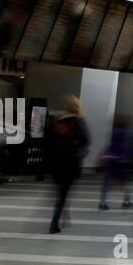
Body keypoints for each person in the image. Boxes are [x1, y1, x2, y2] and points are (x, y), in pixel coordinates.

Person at [47, 97, 89, 234]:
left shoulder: (56, 120)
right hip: (70, 162)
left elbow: (47, 139)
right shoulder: (77, 121)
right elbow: (86, 140)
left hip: (55, 161)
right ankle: (55, 222)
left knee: (60, 193)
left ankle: (62, 216)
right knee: (63, 194)